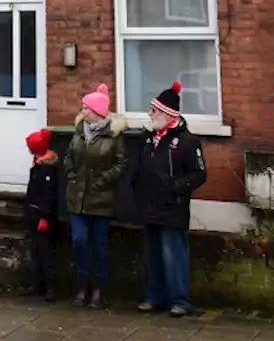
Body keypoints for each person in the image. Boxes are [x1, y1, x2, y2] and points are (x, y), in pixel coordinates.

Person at [133, 82, 206, 318]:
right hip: (150, 206)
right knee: (152, 256)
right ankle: (155, 297)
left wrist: (176, 187)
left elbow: (199, 173)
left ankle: (180, 300)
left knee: (173, 254)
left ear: (167, 114)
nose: (149, 114)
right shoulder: (148, 139)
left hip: (172, 208)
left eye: (154, 111)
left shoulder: (187, 141)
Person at [65, 83, 127, 309]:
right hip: (77, 198)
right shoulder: (79, 131)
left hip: (101, 199)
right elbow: (69, 156)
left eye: (86, 108)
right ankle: (82, 285)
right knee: (79, 240)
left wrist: (102, 181)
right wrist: (71, 175)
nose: (82, 112)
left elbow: (121, 163)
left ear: (97, 111)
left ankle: (98, 290)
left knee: (99, 245)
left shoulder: (113, 135)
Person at [23, 129, 59, 301]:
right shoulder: (38, 163)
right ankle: (37, 284)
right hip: (33, 213)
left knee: (45, 253)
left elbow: (49, 194)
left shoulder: (46, 168)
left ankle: (50, 287)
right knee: (36, 251)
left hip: (41, 215)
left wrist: (44, 217)